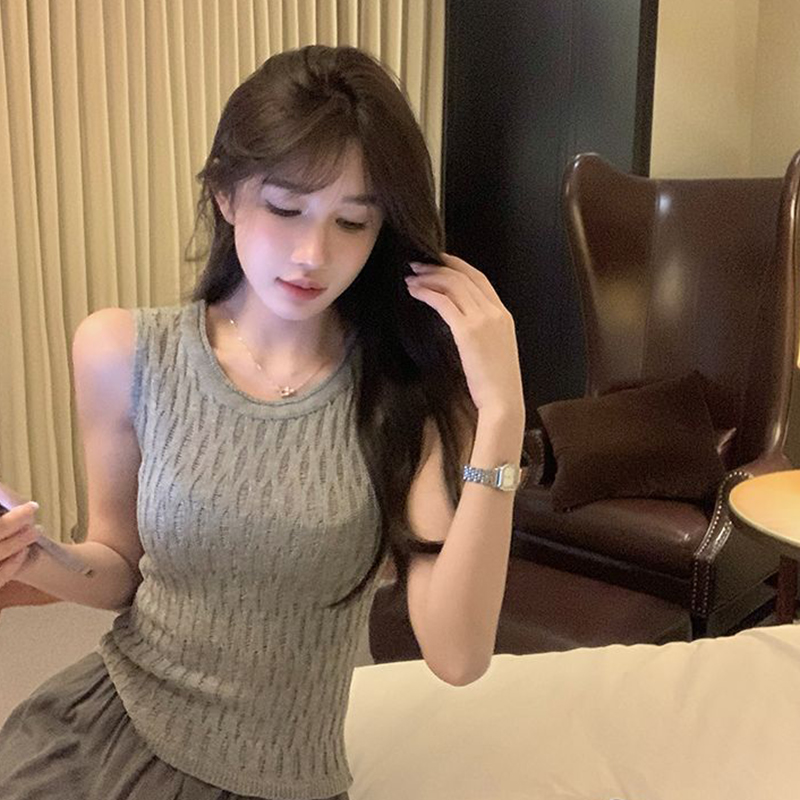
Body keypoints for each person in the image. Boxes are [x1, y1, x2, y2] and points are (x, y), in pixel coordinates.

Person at [0, 44, 525, 799]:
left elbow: (458, 655)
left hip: (289, 778)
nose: (313, 254)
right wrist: (32, 555)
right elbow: (119, 567)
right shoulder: (123, 351)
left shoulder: (403, 395)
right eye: (285, 208)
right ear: (225, 194)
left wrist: (500, 414)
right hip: (112, 732)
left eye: (353, 222)